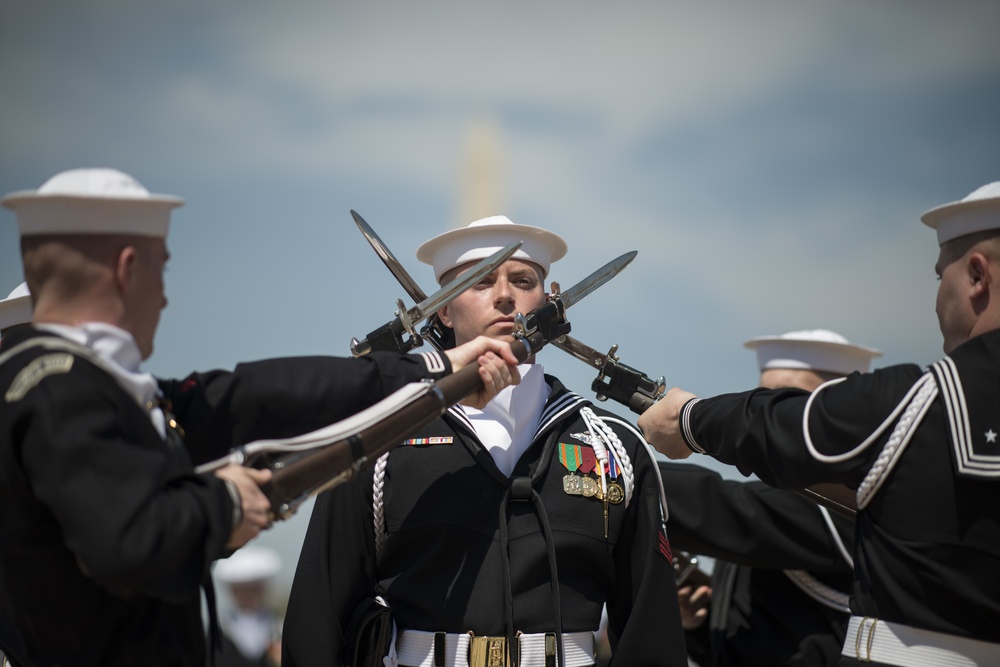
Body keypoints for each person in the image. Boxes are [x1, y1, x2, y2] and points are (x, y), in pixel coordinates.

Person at [0, 168, 520, 667]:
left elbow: (256, 396)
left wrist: (437, 365)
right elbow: (124, 541)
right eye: (161, 270)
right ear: (127, 268)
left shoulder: (82, 385)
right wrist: (224, 503)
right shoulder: (54, 389)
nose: (163, 297)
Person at [283, 216, 688, 667]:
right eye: (479, 281)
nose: (504, 296)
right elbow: (318, 617)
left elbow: (652, 634)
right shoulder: (379, 438)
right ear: (442, 308)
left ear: (550, 301)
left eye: (523, 280)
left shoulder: (616, 447)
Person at [638, 182, 1000, 666]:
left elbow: (733, 506)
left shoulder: (897, 432)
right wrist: (700, 624)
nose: (936, 299)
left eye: (788, 398)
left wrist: (631, 458)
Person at [662, 330, 880, 667]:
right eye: (762, 398)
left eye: (786, 402)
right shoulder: (779, 496)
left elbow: (728, 511)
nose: (766, 413)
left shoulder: (857, 495)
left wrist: (622, 466)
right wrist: (699, 624)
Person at [214, 546, 285, 667]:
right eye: (241, 589)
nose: (247, 594)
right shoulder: (218, 636)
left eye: (254, 588)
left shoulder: (280, 631)